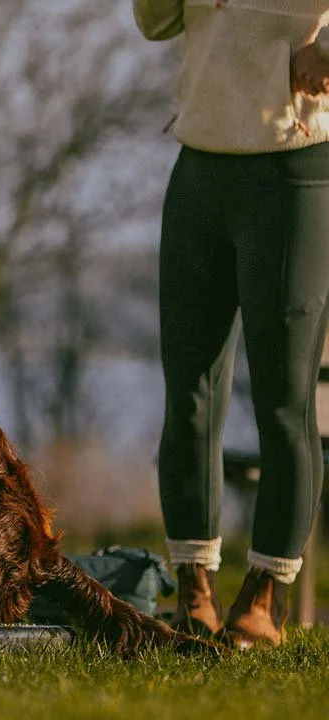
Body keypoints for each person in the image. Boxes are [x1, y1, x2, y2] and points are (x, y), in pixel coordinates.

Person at [134, 0, 329, 648]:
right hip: (198, 170)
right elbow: (154, 20)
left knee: (282, 402)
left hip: (290, 170)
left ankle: (265, 599)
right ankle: (195, 592)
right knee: (187, 389)